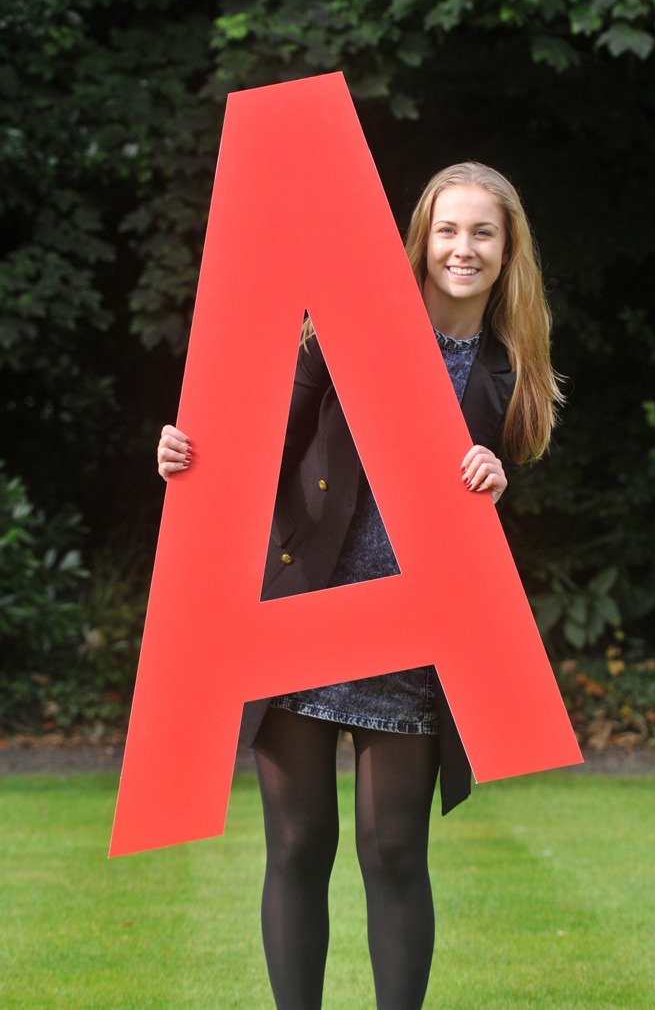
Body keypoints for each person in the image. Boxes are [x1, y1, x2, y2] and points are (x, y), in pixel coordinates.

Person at [157, 162, 563, 1010]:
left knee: (393, 854)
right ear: (421, 239)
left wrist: (494, 475)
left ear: (508, 249)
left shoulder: (506, 370)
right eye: (448, 229)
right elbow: (260, 439)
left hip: (412, 639)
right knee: (299, 847)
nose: (464, 247)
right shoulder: (347, 332)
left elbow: (509, 471)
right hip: (305, 619)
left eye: (483, 232)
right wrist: (186, 459)